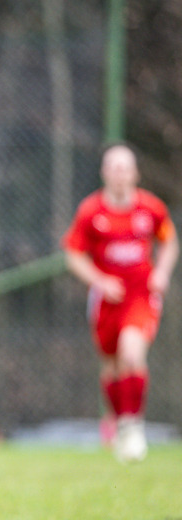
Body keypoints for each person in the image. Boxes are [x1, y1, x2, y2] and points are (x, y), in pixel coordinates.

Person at [62, 143, 178, 462]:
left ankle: (133, 425)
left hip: (141, 297)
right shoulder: (91, 211)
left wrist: (162, 273)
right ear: (104, 173)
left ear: (135, 173)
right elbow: (73, 254)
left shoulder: (151, 209)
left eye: (125, 167)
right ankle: (121, 425)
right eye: (113, 167)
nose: (119, 173)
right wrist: (99, 280)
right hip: (106, 301)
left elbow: (169, 243)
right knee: (111, 367)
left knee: (131, 351)